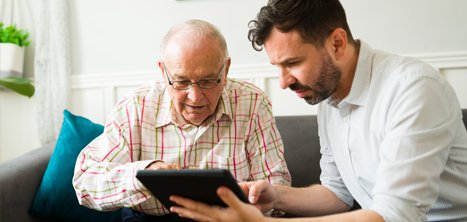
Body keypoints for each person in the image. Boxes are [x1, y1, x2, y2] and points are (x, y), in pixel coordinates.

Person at [168, 1, 467, 222]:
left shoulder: (412, 88)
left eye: (293, 63)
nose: (283, 82)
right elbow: (337, 194)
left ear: (337, 43)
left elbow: (397, 214)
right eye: (277, 67)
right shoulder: (326, 97)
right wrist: (275, 195)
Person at [72, 19, 291, 221]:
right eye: (181, 81)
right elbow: (84, 182)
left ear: (225, 71)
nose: (194, 97)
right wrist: (145, 174)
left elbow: (276, 186)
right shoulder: (135, 108)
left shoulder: (252, 103)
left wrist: (252, 209)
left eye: (207, 81)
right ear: (163, 72)